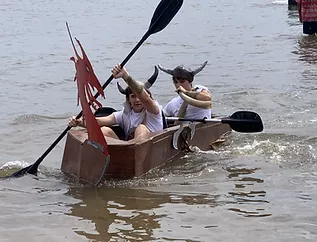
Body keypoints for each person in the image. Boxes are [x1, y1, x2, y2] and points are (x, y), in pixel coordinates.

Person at [68, 64, 163, 140]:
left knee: (141, 129)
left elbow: (145, 98)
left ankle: (139, 163)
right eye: (133, 97)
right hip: (128, 151)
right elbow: (98, 122)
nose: (137, 100)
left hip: (149, 151)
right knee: (104, 130)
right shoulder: (124, 114)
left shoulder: (154, 111)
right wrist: (79, 122)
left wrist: (125, 76)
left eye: (139, 96)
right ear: (129, 100)